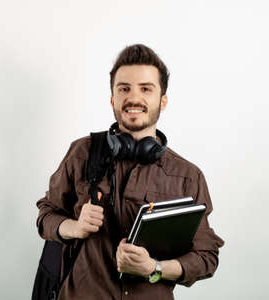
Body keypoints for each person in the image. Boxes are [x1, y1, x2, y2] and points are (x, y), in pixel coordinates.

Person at [36, 44, 224, 299]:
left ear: (163, 100)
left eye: (146, 89)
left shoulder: (188, 176)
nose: (134, 98)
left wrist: (154, 268)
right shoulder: (81, 153)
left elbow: (206, 257)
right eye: (124, 88)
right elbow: (46, 216)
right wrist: (75, 227)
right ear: (113, 98)